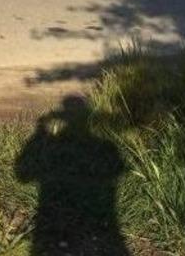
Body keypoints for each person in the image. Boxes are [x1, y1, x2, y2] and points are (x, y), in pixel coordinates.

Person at [15, 97, 128, 255]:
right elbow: (119, 169)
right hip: (96, 223)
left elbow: (22, 175)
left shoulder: (54, 145)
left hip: (55, 221)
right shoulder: (105, 146)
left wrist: (40, 131)